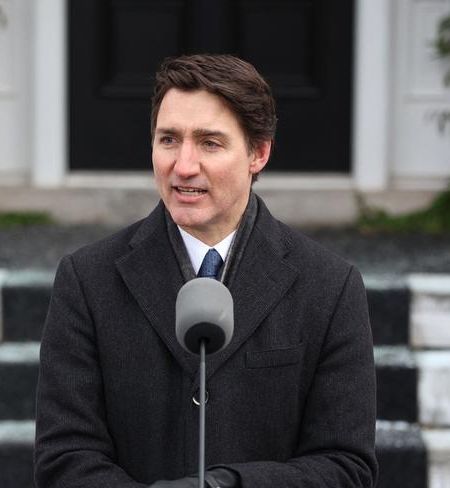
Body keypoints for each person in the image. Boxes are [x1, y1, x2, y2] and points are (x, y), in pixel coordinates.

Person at [34, 54, 378, 487]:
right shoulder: (86, 280)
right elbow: (64, 459)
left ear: (259, 152)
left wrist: (226, 485)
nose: (184, 166)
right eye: (169, 140)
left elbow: (346, 466)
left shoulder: (330, 287)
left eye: (209, 143)